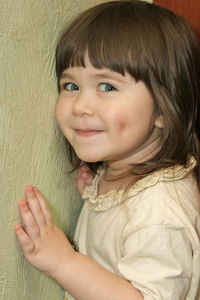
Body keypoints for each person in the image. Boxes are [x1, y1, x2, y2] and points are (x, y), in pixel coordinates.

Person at [14, 1, 200, 299]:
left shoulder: (159, 214)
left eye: (107, 87)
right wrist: (101, 197)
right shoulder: (128, 170)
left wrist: (64, 262)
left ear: (165, 108)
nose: (81, 106)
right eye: (71, 86)